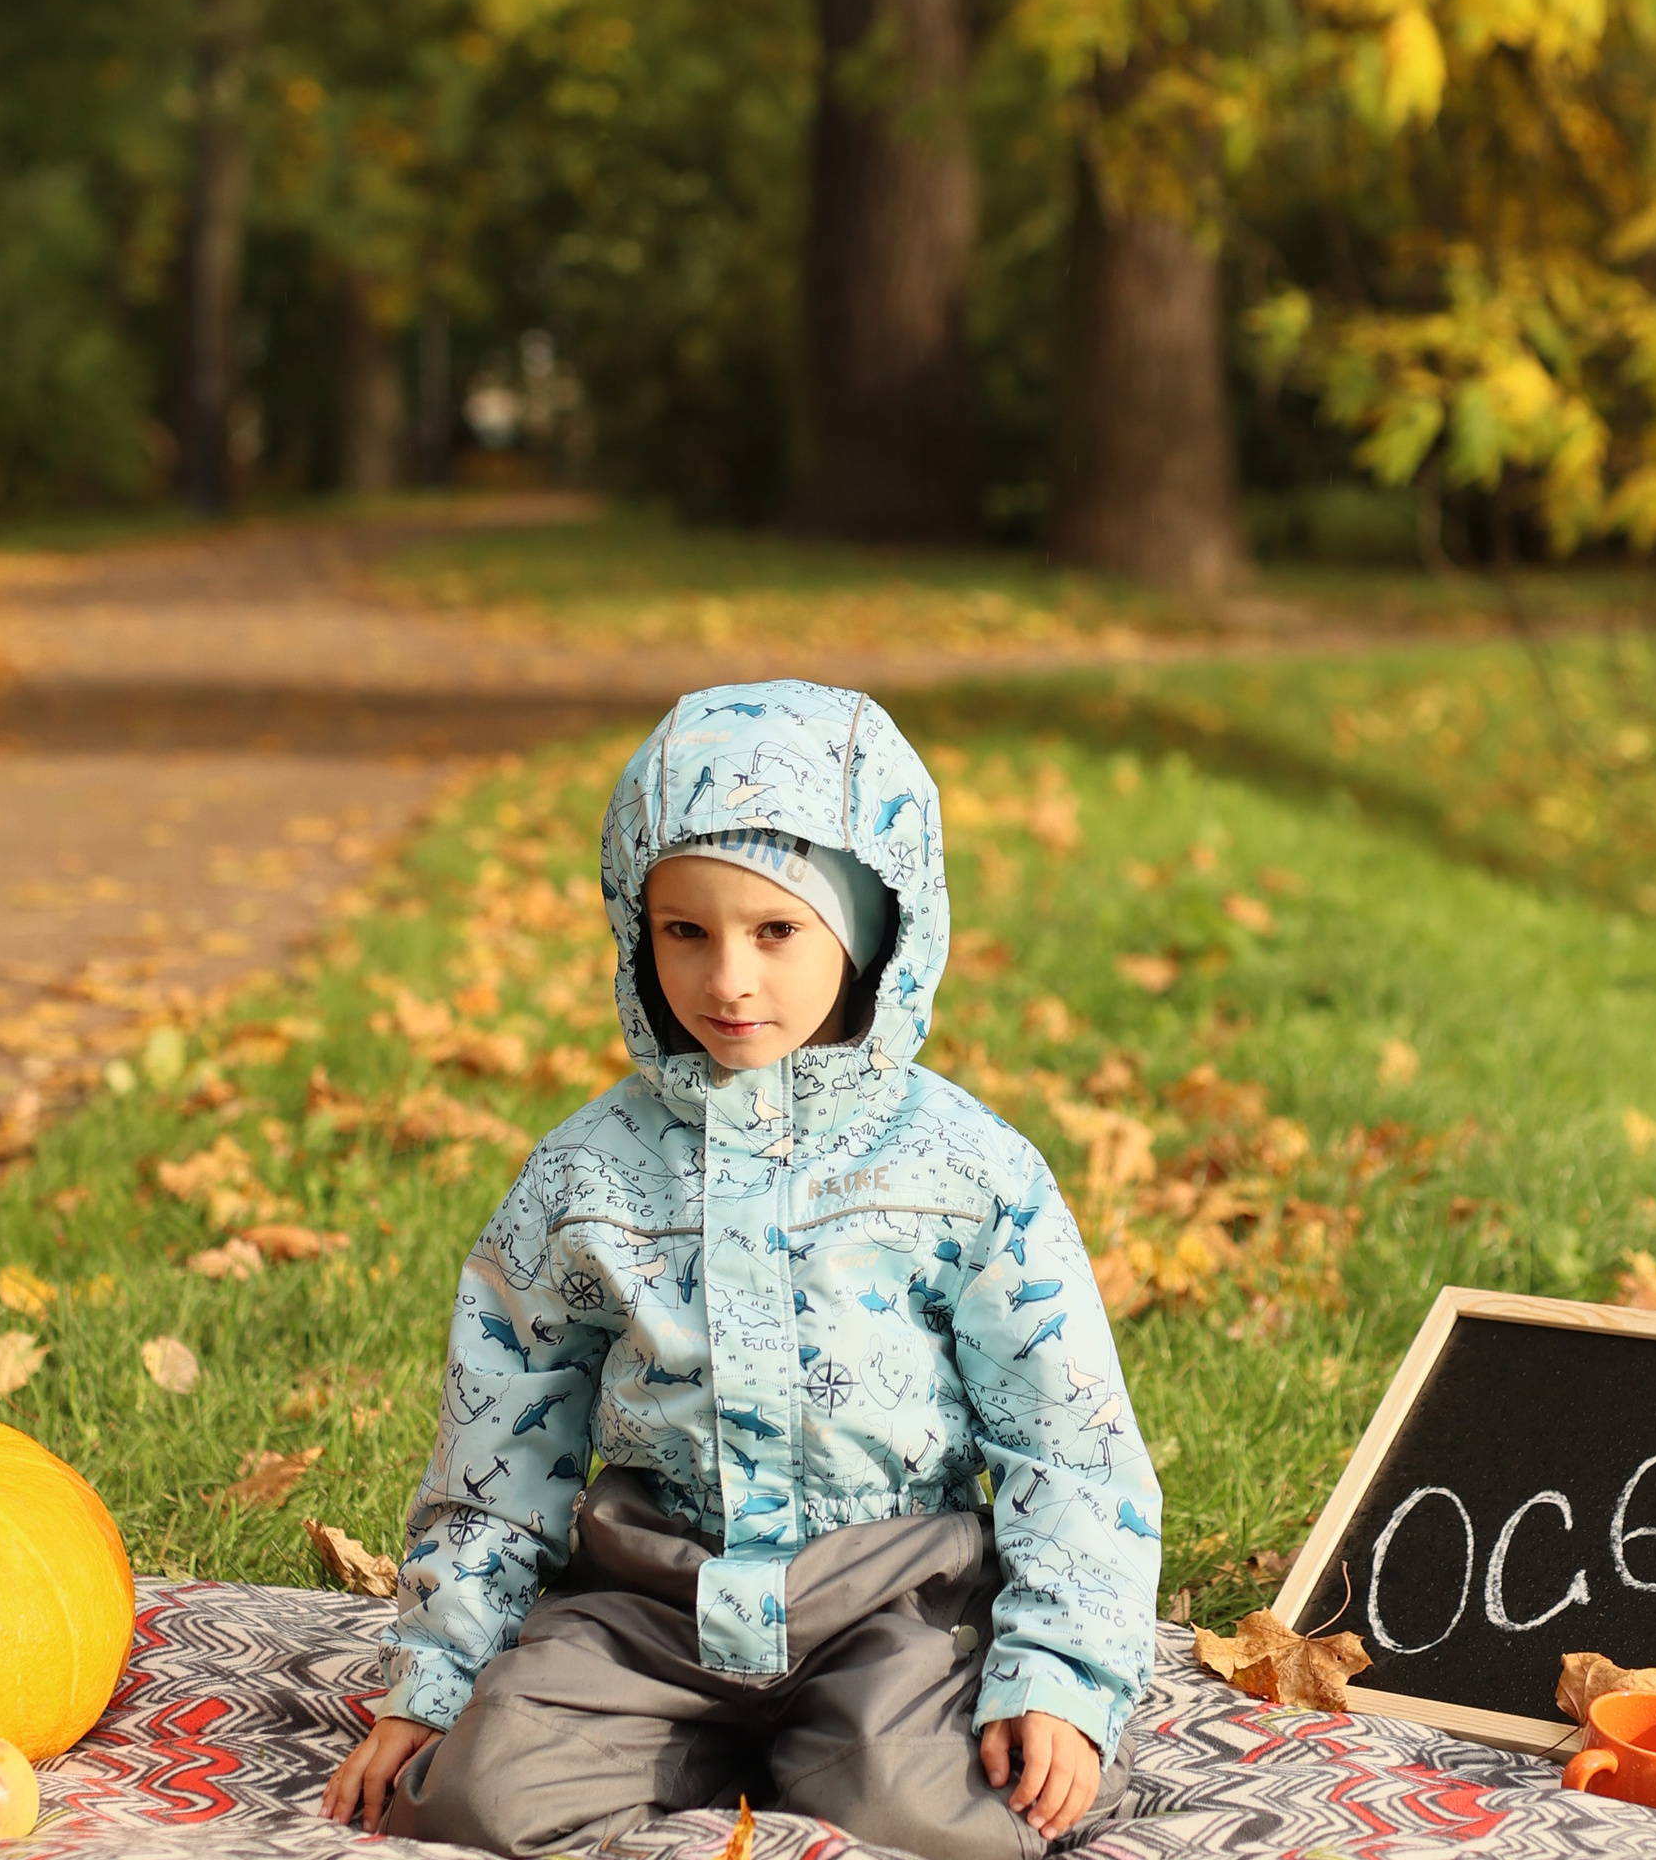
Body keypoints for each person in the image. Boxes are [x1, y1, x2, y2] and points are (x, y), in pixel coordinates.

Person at [322, 680, 1163, 1857]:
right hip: (651, 1598)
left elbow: (1067, 1442)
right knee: (474, 1801)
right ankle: (696, 1748)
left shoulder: (966, 1170)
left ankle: (850, 1748)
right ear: (635, 927)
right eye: (686, 931)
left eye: (776, 931)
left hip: (895, 1600)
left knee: (946, 1823)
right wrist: (436, 1676)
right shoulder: (585, 1177)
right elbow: (497, 1447)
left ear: (871, 932)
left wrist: (1061, 1677)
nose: (728, 980)